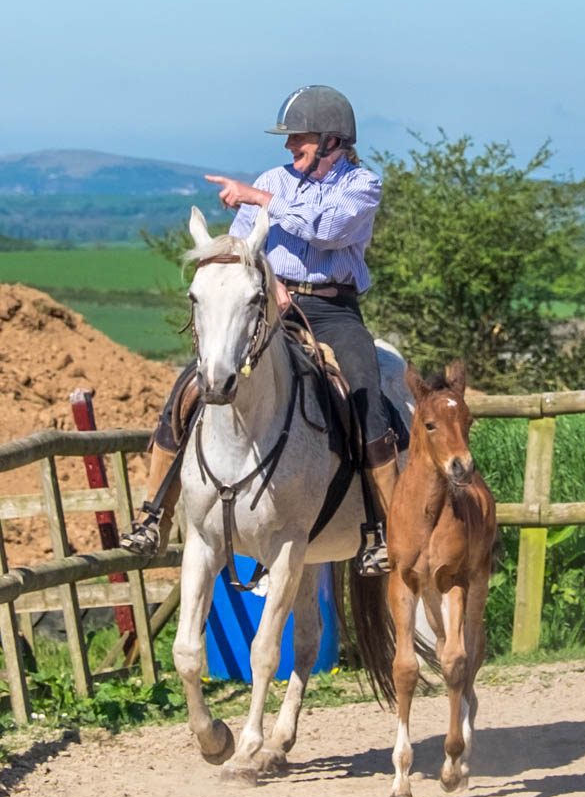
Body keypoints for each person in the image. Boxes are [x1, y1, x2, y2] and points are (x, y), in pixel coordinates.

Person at [121, 85, 397, 574]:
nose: (290, 147)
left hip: (334, 310)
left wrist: (257, 196)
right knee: (191, 383)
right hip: (268, 306)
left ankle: (382, 529)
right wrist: (264, 282)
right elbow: (249, 246)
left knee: (363, 393)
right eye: (290, 139)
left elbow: (327, 229)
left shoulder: (361, 185)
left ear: (334, 140)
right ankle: (153, 514)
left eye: (300, 138)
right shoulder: (275, 178)